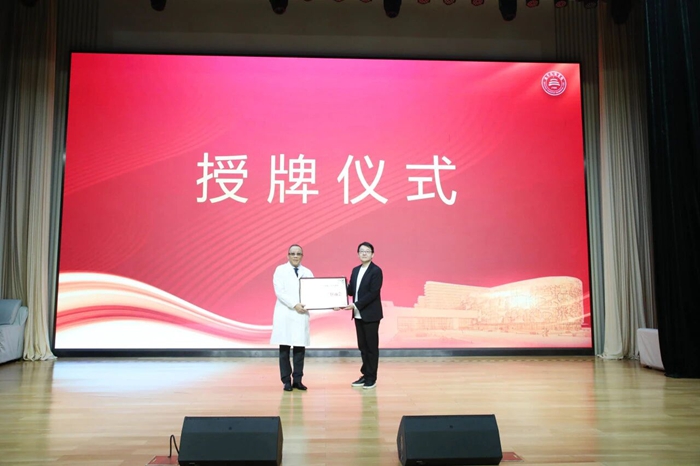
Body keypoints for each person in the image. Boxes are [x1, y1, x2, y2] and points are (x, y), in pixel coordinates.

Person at [339, 241, 383, 390]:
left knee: (371, 348)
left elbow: (373, 293)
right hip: (358, 314)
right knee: (362, 347)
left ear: (373, 254)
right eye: (361, 251)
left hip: (371, 315)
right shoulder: (356, 270)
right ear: (358, 254)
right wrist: (339, 286)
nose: (364, 253)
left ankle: (372, 378)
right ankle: (365, 374)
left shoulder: (376, 271)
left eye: (367, 251)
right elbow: (351, 290)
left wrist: (355, 305)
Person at [270, 244, 313, 392]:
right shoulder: (280, 270)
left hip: (301, 314)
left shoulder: (307, 272)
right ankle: (286, 381)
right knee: (284, 349)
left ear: (302, 256)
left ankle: (298, 380)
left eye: (298, 254)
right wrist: (295, 305)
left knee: (300, 349)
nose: (295, 256)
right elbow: (280, 292)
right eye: (293, 253)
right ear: (288, 255)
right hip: (286, 313)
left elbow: (314, 292)